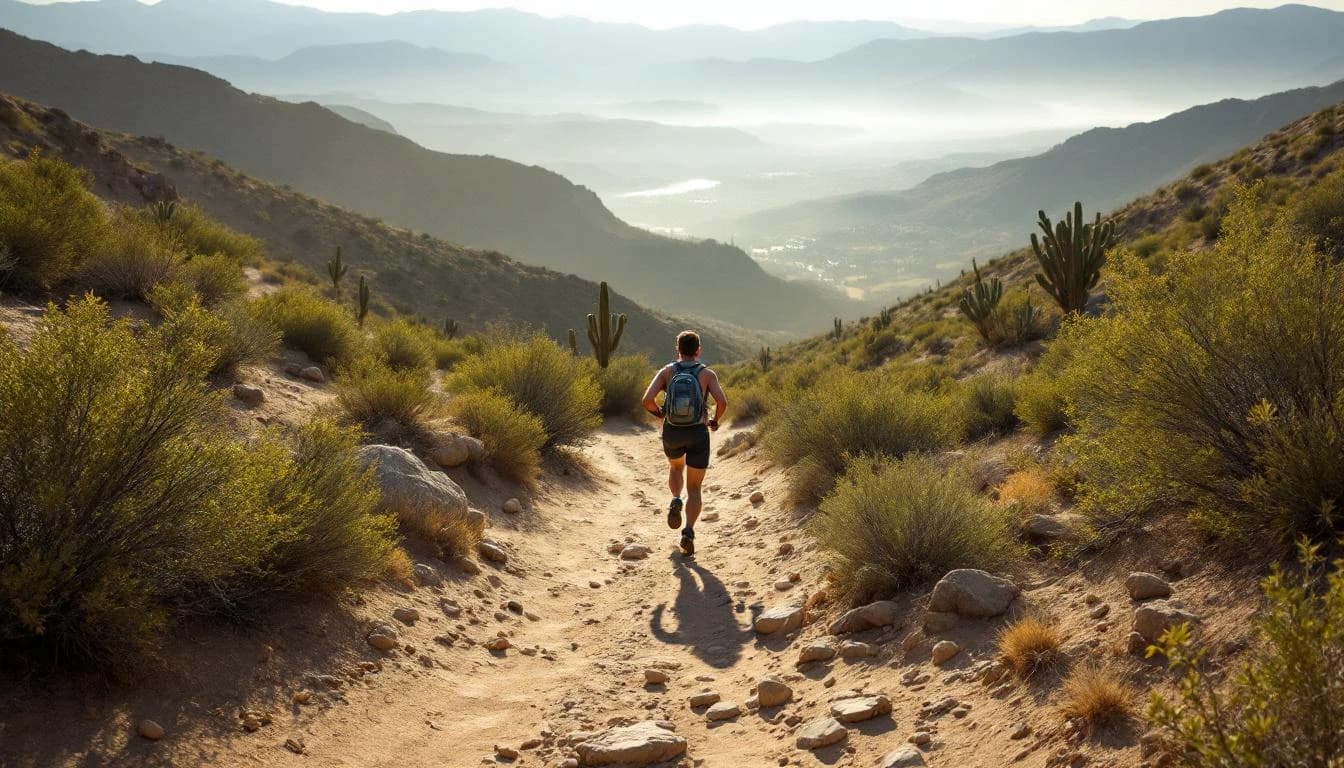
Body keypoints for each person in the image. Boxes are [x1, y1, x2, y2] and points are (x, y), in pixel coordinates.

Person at [641, 330, 727, 556]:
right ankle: (688, 531)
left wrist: (661, 415)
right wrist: (714, 420)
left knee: (676, 467)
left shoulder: (667, 372)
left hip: (673, 431)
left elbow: (647, 400)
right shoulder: (707, 374)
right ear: (698, 350)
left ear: (677, 349)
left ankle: (676, 499)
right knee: (695, 487)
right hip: (698, 432)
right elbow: (722, 401)